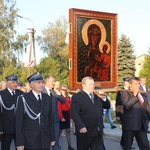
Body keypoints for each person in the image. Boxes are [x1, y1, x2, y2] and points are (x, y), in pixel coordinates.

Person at [16, 73, 55, 150]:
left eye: (42, 82)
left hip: (45, 139)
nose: (42, 85)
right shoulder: (24, 98)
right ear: (31, 84)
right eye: (38, 83)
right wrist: (20, 142)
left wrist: (52, 137)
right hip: (30, 141)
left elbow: (50, 119)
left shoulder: (47, 98)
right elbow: (19, 122)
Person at [71, 76, 110, 150]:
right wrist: (81, 126)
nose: (92, 86)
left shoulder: (97, 96)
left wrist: (104, 98)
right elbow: (75, 113)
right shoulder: (77, 97)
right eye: (90, 84)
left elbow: (107, 106)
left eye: (93, 84)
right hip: (85, 132)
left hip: (97, 131)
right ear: (83, 85)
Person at [121, 76, 150, 150]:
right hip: (130, 126)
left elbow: (147, 108)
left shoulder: (142, 94)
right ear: (130, 85)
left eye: (138, 83)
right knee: (127, 147)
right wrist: (134, 95)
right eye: (135, 83)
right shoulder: (125, 93)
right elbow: (127, 106)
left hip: (141, 125)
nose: (137, 85)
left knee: (146, 146)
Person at [0, 74, 24, 150]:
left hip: (19, 127)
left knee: (20, 147)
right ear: (8, 83)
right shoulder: (2, 94)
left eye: (16, 82)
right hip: (7, 127)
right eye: (13, 82)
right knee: (5, 147)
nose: (16, 84)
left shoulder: (20, 94)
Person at [42, 76, 65, 150]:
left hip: (55, 120)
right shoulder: (41, 91)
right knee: (45, 141)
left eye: (54, 81)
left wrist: (58, 93)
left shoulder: (54, 92)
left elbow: (63, 101)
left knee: (56, 141)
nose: (54, 83)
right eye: (52, 81)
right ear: (47, 82)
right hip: (44, 121)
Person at [115, 77, 135, 149]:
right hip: (122, 112)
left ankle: (129, 144)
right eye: (126, 82)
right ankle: (123, 143)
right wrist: (117, 114)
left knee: (130, 130)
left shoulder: (131, 90)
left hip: (130, 113)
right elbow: (118, 103)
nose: (127, 83)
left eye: (128, 82)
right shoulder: (120, 91)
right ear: (124, 82)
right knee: (125, 130)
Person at [58, 84, 75, 150]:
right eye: (63, 90)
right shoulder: (59, 98)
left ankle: (69, 146)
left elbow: (70, 107)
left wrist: (70, 116)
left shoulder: (68, 98)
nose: (64, 91)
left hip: (67, 113)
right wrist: (61, 117)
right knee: (60, 130)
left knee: (68, 130)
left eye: (65, 90)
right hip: (62, 113)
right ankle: (56, 144)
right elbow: (59, 108)